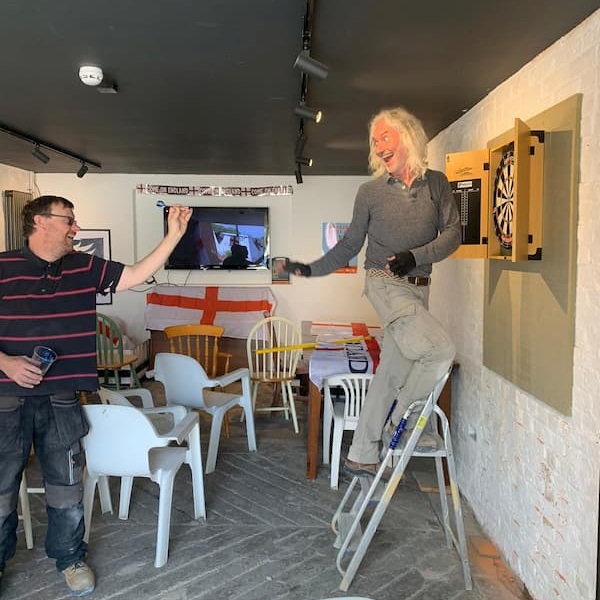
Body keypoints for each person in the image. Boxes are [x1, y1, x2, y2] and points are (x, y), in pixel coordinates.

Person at [0, 195, 191, 595]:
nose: (75, 228)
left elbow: (136, 274)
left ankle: (70, 558)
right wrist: (6, 363)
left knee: (66, 483)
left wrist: (173, 236)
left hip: (63, 398)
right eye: (68, 220)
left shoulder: (85, 266)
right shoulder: (2, 267)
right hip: (6, 399)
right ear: (40, 221)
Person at [282, 106, 461, 477]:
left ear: (407, 136)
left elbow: (453, 235)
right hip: (383, 282)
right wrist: (309, 269)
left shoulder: (437, 184)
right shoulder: (370, 192)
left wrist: (416, 256)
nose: (378, 146)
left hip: (419, 287)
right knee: (439, 350)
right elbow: (349, 245)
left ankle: (362, 451)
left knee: (392, 372)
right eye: (374, 140)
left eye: (385, 136)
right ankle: (403, 424)